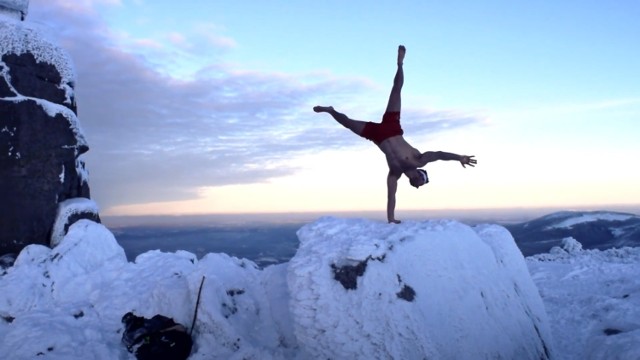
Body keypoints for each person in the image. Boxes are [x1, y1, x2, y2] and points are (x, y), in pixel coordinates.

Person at [313, 45, 477, 224]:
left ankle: (330, 110)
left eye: (416, 185)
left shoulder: (394, 173)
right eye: (419, 182)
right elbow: (439, 155)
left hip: (377, 136)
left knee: (347, 123)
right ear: (419, 175)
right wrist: (459, 157)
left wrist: (391, 219)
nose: (416, 184)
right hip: (392, 127)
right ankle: (400, 63)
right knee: (396, 90)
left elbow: (391, 197)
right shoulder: (419, 159)